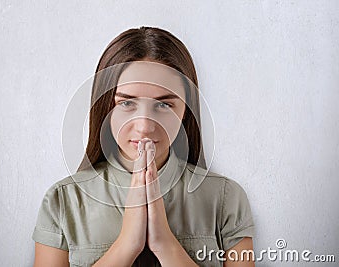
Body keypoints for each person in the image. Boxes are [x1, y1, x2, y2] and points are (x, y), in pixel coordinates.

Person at [32, 26, 255, 267]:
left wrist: (165, 243)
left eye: (164, 105)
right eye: (126, 103)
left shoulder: (225, 198)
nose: (145, 126)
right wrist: (127, 244)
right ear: (105, 106)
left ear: (185, 111)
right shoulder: (62, 200)